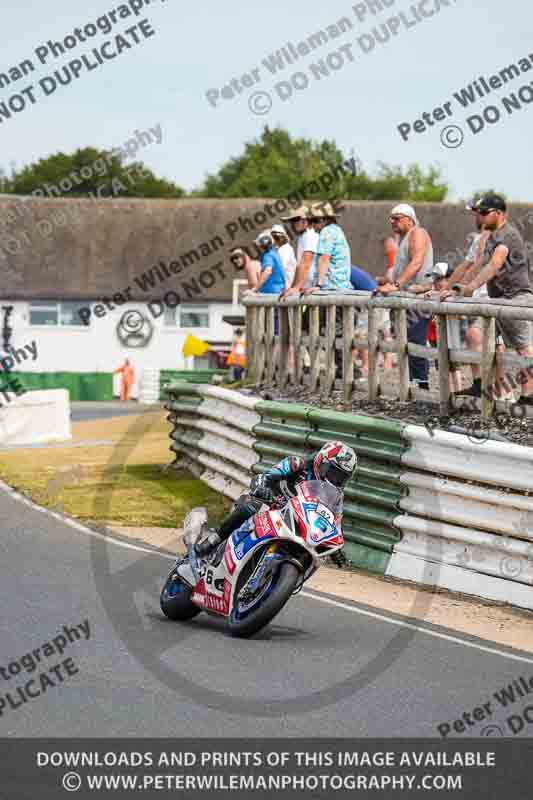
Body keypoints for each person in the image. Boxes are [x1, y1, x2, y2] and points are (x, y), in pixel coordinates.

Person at [195, 441, 357, 561]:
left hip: (298, 526)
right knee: (249, 506)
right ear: (322, 462)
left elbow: (335, 524)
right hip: (270, 507)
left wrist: (336, 549)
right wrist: (262, 489)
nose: (335, 479)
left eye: (342, 477)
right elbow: (263, 477)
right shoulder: (297, 465)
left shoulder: (337, 496)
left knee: (312, 556)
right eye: (333, 472)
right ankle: (214, 540)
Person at [442, 193, 533, 406]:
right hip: (498, 300)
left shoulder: (507, 236)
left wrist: (469, 288)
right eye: (478, 213)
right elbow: (478, 263)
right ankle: (481, 384)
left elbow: (494, 265)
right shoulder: (492, 236)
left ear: (499, 213)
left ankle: (528, 395)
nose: (479, 217)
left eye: (484, 213)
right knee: (476, 336)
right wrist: (454, 289)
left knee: (523, 347)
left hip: (515, 298)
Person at [439, 199, 505, 398]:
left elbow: (480, 266)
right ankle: (485, 386)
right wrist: (447, 289)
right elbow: (465, 266)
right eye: (476, 213)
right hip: (478, 296)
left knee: (487, 342)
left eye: (480, 213)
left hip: (489, 297)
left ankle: (495, 389)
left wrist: (462, 289)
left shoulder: (492, 237)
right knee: (486, 342)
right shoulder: (479, 238)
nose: (477, 217)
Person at [377, 203, 434, 392]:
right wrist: (386, 282)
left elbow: (417, 262)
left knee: (416, 343)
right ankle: (412, 387)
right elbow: (402, 268)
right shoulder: (402, 239)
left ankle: (421, 387)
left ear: (410, 220)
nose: (392, 221)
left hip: (416, 297)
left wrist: (395, 285)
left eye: (397, 217)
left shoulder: (418, 233)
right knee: (406, 344)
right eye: (390, 218)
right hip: (406, 297)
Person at [279, 205, 319, 296]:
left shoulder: (310, 235)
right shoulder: (302, 237)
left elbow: (306, 263)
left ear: (305, 220)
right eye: (292, 220)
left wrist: (296, 287)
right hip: (306, 289)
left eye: (296, 219)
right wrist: (292, 287)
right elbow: (300, 266)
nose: (293, 223)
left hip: (313, 290)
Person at [253, 230, 286, 295]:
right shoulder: (274, 253)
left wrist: (255, 288)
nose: (258, 248)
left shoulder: (268, 255)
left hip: (271, 294)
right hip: (277, 292)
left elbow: (267, 271)